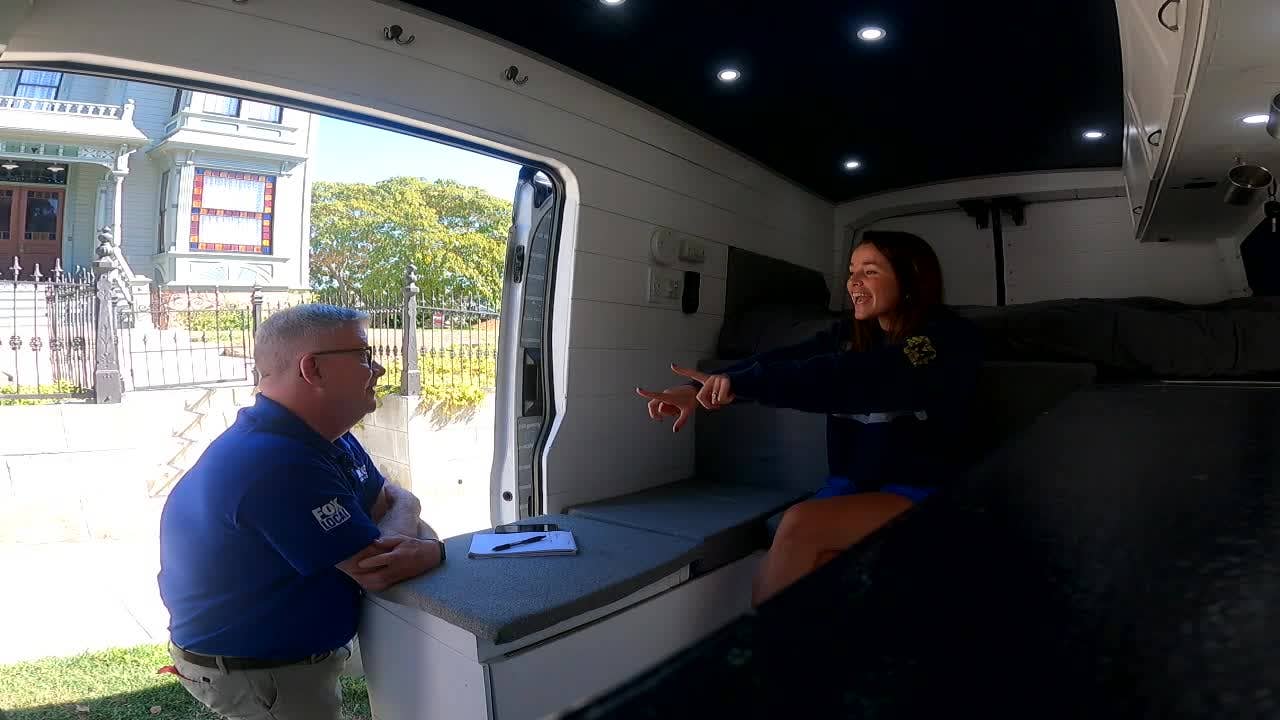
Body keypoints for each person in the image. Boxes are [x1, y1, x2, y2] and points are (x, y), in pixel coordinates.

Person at [636, 231, 982, 606]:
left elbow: (854, 375)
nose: (854, 282)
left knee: (800, 523)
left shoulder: (943, 339)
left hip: (922, 489)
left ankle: (755, 656)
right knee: (821, 568)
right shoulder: (849, 333)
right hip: (853, 486)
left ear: (910, 278)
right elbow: (785, 361)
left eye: (870, 271)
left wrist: (738, 383)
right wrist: (698, 391)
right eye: (852, 271)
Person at [157, 304, 445, 720]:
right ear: (313, 370)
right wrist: (430, 541)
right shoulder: (274, 461)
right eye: (364, 356)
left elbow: (381, 502)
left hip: (285, 651)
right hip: (262, 670)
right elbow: (380, 565)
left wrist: (400, 515)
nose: (378, 368)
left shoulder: (324, 435)